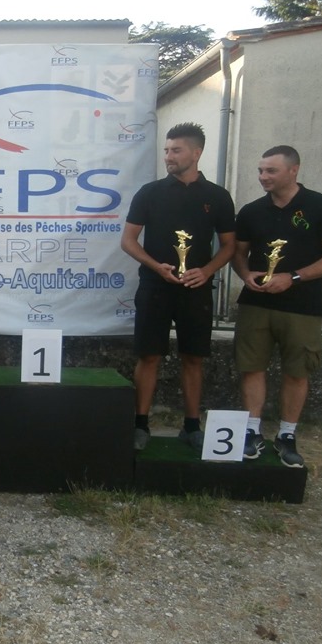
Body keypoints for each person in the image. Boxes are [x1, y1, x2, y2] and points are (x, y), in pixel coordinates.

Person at [120, 122, 236, 451]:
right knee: (149, 355)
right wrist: (155, 266)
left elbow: (229, 246)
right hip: (155, 287)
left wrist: (207, 271)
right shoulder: (150, 193)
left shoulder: (217, 197)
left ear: (196, 153)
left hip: (196, 290)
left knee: (193, 358)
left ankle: (191, 426)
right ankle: (140, 424)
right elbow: (128, 241)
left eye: (176, 150)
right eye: (166, 150)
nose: (169, 156)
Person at [232, 145, 322, 468]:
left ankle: (286, 435)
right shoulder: (252, 211)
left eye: (271, 171)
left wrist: (293, 277)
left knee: (297, 371)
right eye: (260, 170)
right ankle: (251, 431)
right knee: (251, 366)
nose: (263, 177)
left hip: (302, 306)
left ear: (293, 170)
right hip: (256, 304)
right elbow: (238, 254)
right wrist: (245, 274)